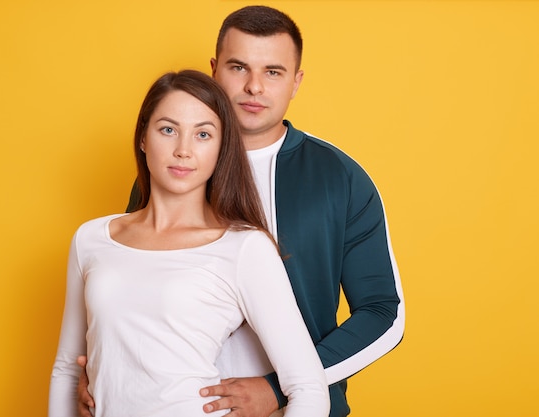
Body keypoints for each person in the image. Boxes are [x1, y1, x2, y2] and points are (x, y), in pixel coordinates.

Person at [77, 5, 405, 417]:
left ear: (296, 81)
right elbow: (126, 291)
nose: (254, 87)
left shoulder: (339, 178)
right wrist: (97, 374)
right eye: (238, 67)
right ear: (214, 70)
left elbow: (382, 314)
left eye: (272, 72)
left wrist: (280, 389)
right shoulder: (171, 170)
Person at [48, 69, 331, 417]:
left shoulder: (244, 248)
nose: (183, 150)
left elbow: (308, 388)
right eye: (168, 130)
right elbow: (66, 369)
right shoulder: (91, 240)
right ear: (142, 137)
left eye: (203, 134)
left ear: (221, 148)